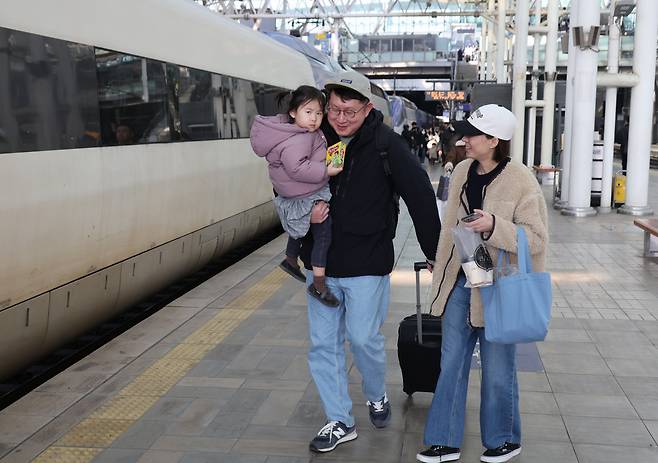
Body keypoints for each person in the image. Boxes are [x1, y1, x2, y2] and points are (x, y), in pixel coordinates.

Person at [299, 72, 441, 453]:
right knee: (322, 346)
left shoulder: (386, 145)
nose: (340, 118)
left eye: (348, 110)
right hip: (320, 265)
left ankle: (376, 394)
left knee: (363, 339)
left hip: (366, 264)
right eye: (333, 110)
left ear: (367, 108)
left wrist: (434, 252)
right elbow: (287, 185)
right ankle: (340, 420)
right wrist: (302, 219)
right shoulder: (316, 141)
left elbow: (421, 196)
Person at [417, 104, 548, 463]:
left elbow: (536, 239)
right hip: (462, 277)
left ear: (494, 140)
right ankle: (444, 439)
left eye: (473, 134)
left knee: (497, 367)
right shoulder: (460, 170)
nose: (465, 139)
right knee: (452, 362)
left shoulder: (520, 179)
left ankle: (504, 438)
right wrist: (439, 262)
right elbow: (450, 227)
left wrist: (494, 226)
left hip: (499, 286)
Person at [250, 85, 343, 307]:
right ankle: (319, 284)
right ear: (293, 112)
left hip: (297, 192)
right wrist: (326, 170)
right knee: (323, 234)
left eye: (319, 113)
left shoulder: (297, 132)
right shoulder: (299, 138)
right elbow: (297, 169)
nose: (314, 118)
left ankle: (291, 259)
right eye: (308, 112)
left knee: (301, 228)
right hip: (305, 192)